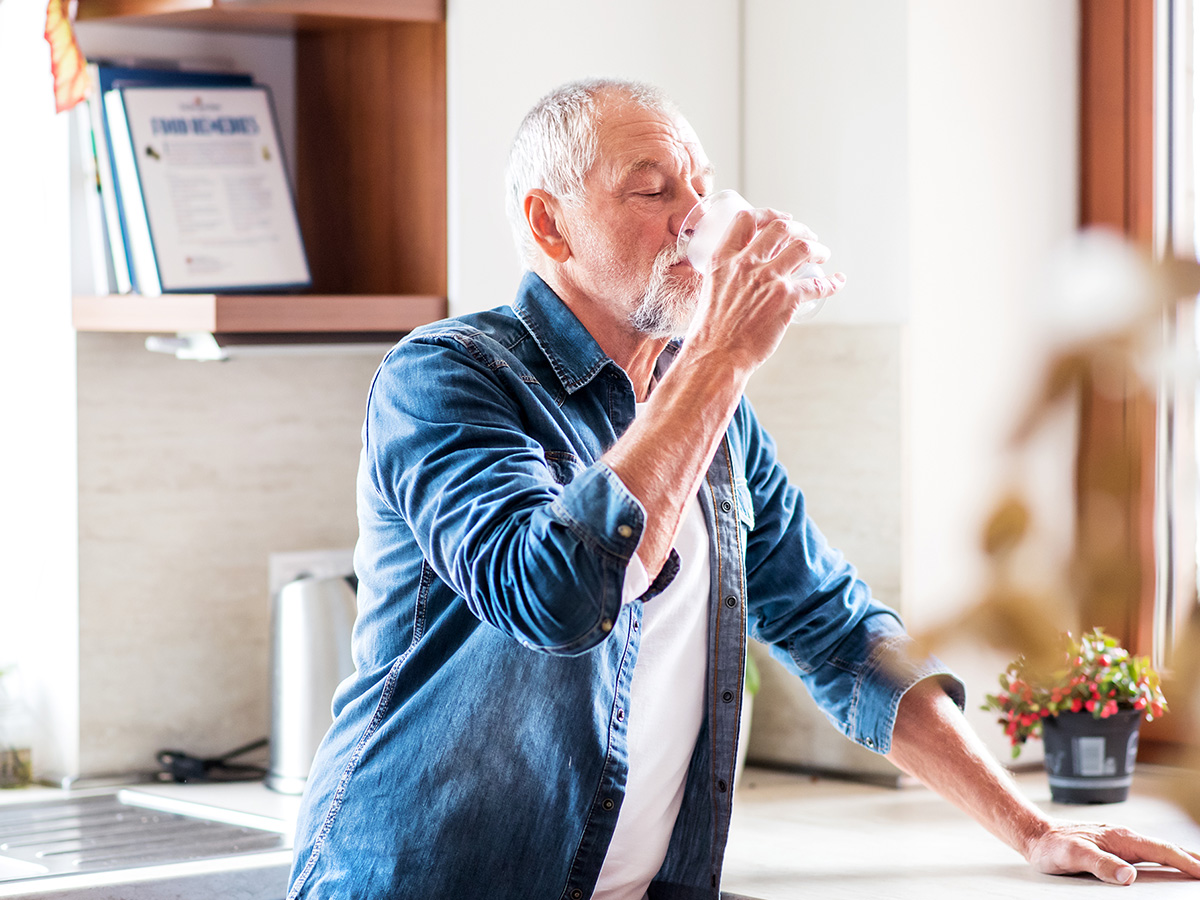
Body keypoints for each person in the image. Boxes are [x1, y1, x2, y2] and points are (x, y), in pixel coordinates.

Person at [286, 78, 1200, 900]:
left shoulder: (707, 402)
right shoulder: (447, 376)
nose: (695, 218)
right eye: (653, 190)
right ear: (549, 224)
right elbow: (555, 596)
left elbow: (835, 631)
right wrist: (721, 355)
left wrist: (1033, 828)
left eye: (700, 185)